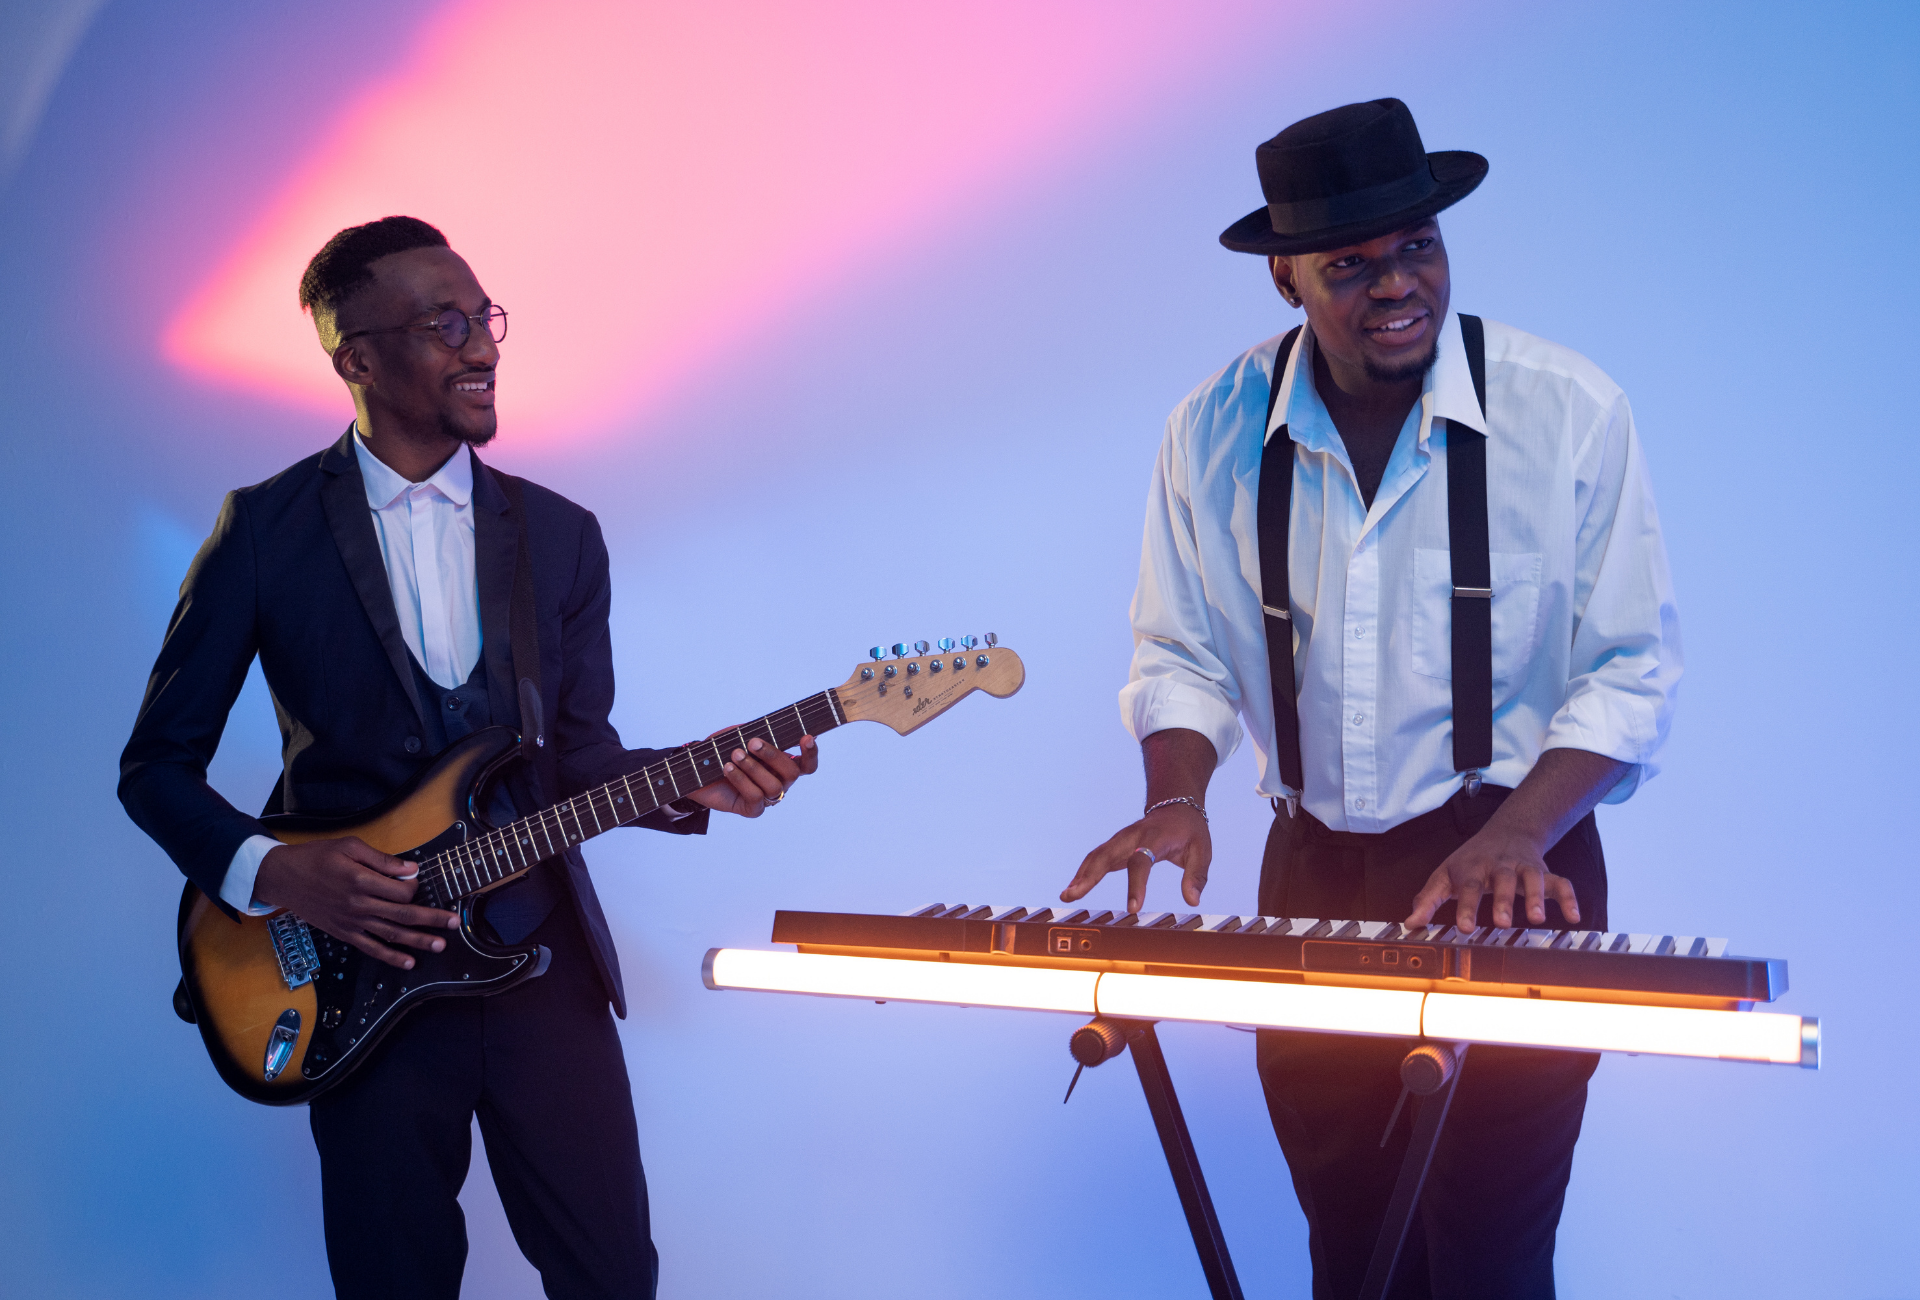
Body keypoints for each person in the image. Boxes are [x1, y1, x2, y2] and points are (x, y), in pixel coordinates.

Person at [119, 215, 816, 1299]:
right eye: (444, 324)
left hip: (543, 975)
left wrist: (692, 787)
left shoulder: (561, 534)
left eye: (483, 318)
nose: (482, 348)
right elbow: (155, 766)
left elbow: (576, 757)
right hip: (362, 986)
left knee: (612, 1277)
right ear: (355, 356)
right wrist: (275, 870)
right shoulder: (263, 531)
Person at [1058, 100, 1681, 1297]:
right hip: (1310, 878)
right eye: (1350, 262)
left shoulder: (1568, 412)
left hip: (1515, 874)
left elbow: (1631, 669)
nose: (1397, 282)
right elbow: (1178, 649)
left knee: (1490, 1259)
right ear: (1286, 274)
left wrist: (1513, 829)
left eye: (1419, 246)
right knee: (1351, 1252)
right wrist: (1178, 794)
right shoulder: (1212, 428)